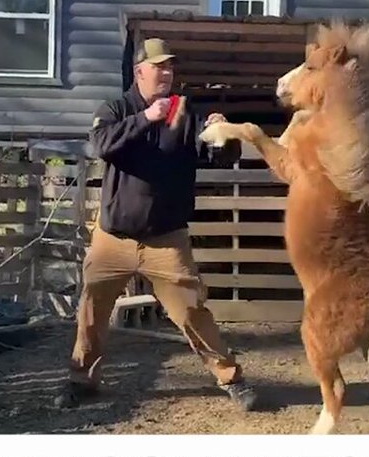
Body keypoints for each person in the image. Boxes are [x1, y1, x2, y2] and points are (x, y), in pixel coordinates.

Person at [64, 37, 257, 411]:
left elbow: (220, 155)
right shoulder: (116, 108)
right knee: (92, 307)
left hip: (166, 240)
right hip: (113, 239)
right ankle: (81, 380)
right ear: (139, 72)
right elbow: (100, 145)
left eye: (170, 67)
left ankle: (232, 378)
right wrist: (145, 119)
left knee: (190, 311)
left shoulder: (185, 113)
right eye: (159, 67)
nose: (167, 74)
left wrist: (222, 132)